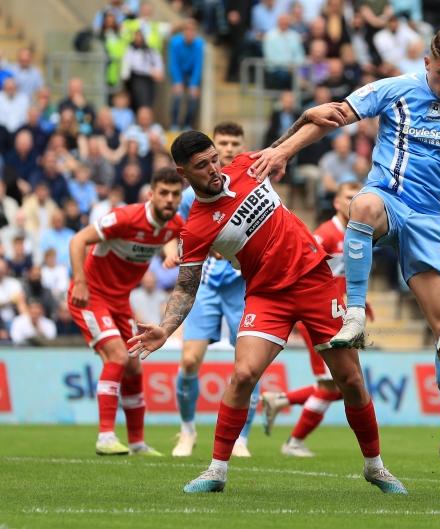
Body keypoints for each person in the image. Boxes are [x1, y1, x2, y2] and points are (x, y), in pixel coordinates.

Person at [246, 28, 440, 476]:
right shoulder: (394, 90)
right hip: (388, 199)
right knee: (360, 205)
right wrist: (282, 150)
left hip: (428, 219)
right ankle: (355, 315)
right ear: (427, 62)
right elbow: (332, 116)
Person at [128, 131, 406, 495]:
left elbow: (289, 140)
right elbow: (185, 285)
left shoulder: (247, 165)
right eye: (202, 166)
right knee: (242, 375)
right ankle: (216, 470)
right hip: (266, 296)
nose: (213, 169)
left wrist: (313, 120)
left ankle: (375, 467)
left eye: (214, 158)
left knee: (351, 381)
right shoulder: (196, 226)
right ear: (183, 174)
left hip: (315, 283)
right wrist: (166, 329)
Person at [68, 167, 184, 456]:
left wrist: (172, 251)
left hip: (120, 302)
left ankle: (136, 444)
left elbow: (173, 234)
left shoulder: (174, 225)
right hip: (91, 295)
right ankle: (105, 437)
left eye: (175, 194)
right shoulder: (124, 218)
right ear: (151, 195)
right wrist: (80, 282)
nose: (169, 199)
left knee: (133, 365)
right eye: (164, 193)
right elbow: (77, 240)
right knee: (119, 356)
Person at [171, 122, 260, 459]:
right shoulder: (188, 198)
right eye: (222, 142)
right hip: (207, 282)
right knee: (190, 360)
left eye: (234, 142)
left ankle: (242, 438)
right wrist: (175, 249)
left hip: (242, 284)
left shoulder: (250, 180)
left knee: (248, 365)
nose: (228, 148)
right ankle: (187, 430)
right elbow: (183, 234)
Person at [261, 182, 366, 457]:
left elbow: (343, 275)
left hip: (339, 315)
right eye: (347, 197)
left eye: (357, 197)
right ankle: (293, 440)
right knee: (336, 385)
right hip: (320, 316)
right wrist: (299, 313)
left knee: (339, 386)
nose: (352, 202)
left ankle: (280, 401)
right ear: (336, 203)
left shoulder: (355, 234)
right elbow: (304, 269)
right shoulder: (324, 234)